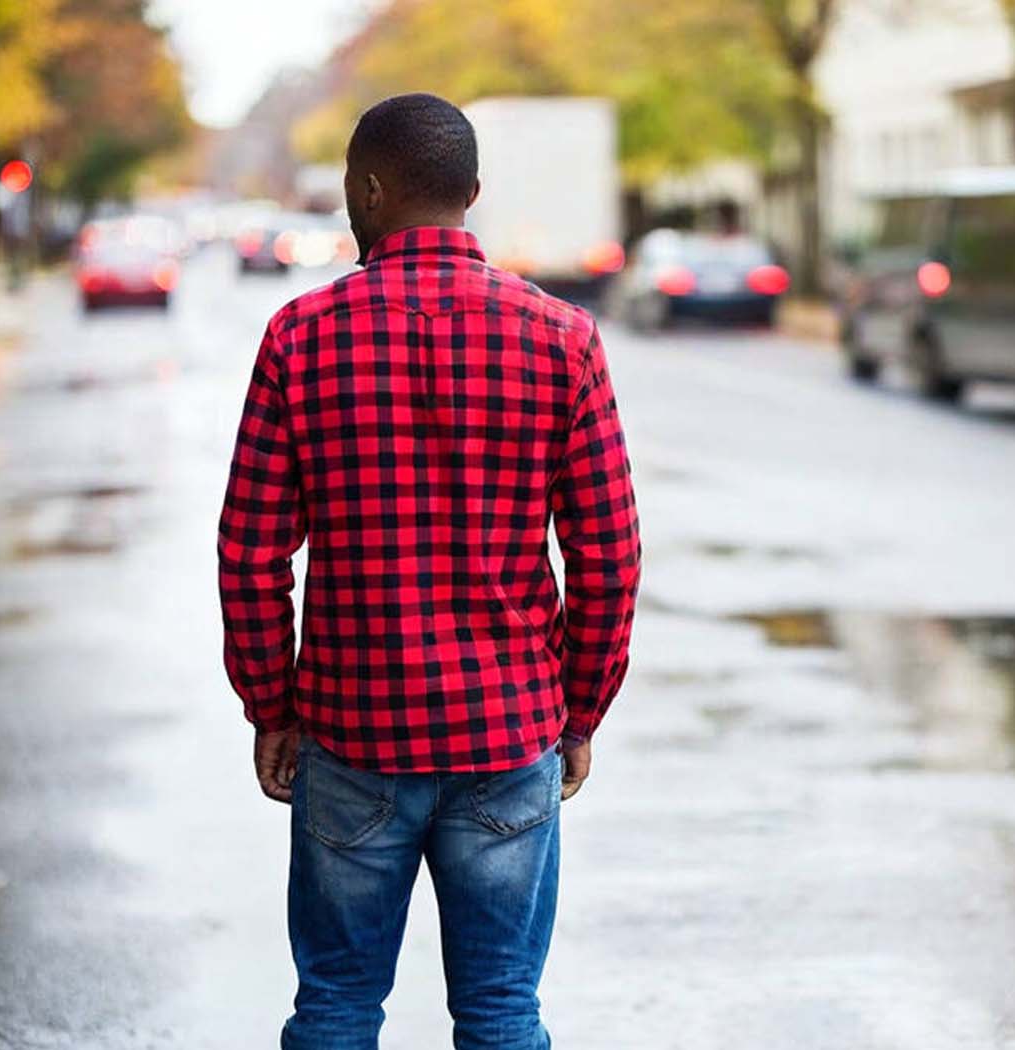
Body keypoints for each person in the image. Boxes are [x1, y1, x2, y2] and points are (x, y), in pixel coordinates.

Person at [217, 92, 641, 1050]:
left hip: (352, 734)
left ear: (369, 190)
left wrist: (271, 707)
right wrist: (579, 712)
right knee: (500, 1011)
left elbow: (249, 553)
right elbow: (608, 559)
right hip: (508, 737)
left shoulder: (301, 336)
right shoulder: (562, 337)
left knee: (333, 1007)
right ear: (473, 193)